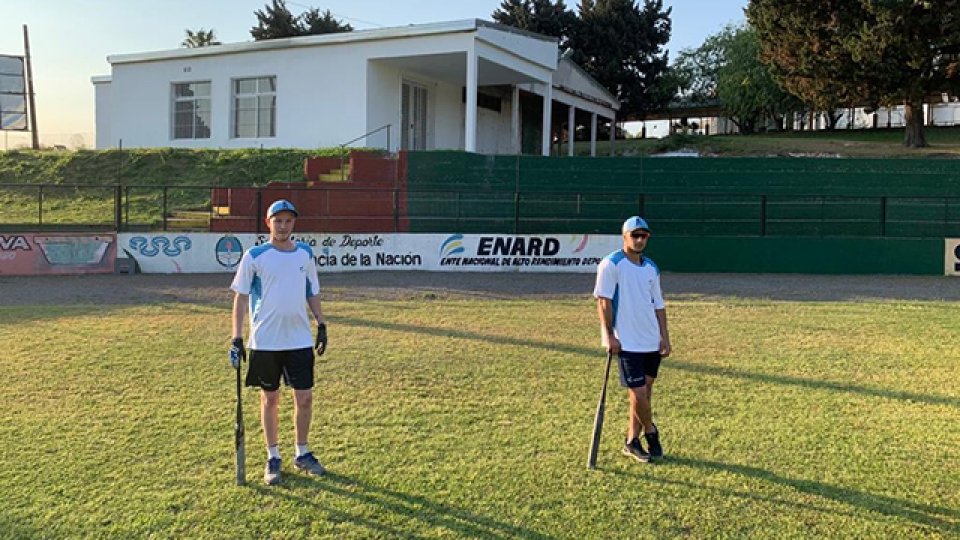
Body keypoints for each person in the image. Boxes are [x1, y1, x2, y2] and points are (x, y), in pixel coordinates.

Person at [229, 199, 329, 485]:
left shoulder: (305, 254)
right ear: (268, 222)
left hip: (299, 338)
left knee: (305, 397)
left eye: (288, 220)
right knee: (270, 399)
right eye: (278, 220)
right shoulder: (255, 255)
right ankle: (273, 456)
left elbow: (312, 290)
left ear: (294, 223)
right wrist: (236, 337)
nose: (283, 225)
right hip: (265, 341)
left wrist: (321, 323)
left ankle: (302, 452)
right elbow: (241, 297)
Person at [593, 216, 671, 463]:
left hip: (650, 339)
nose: (639, 240)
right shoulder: (611, 264)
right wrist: (609, 336)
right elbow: (603, 301)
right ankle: (651, 432)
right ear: (624, 236)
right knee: (638, 394)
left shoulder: (651, 267)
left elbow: (658, 304)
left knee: (644, 394)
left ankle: (631, 441)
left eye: (643, 236)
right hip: (626, 341)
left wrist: (664, 337)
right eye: (634, 235)